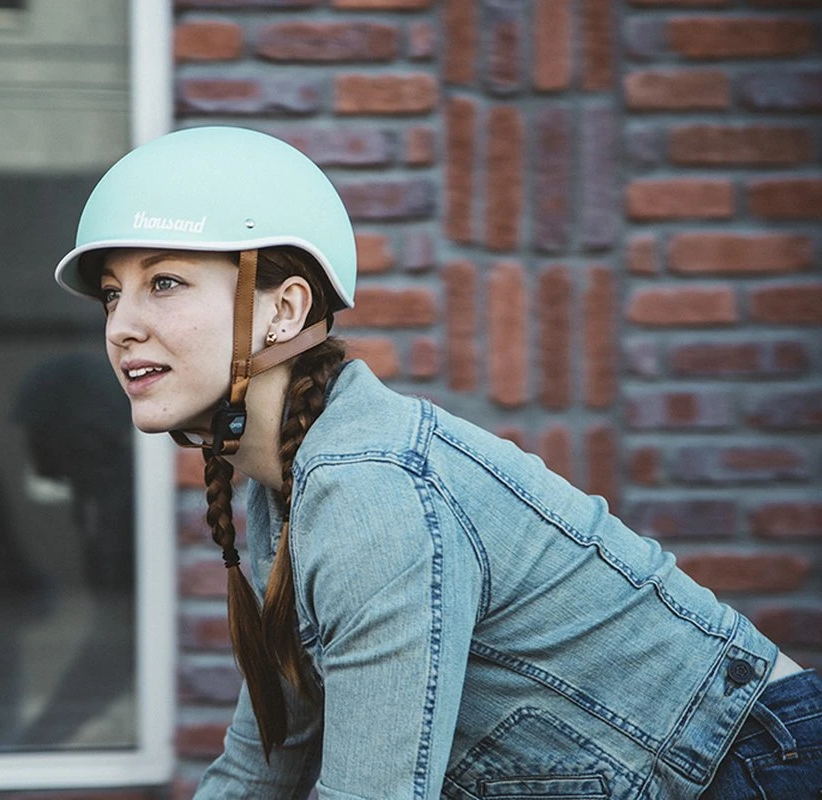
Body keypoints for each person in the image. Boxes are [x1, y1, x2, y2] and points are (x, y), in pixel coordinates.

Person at [52, 127, 821, 798]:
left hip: (757, 766)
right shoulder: (284, 490)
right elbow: (263, 765)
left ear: (283, 310)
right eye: (114, 295)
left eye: (164, 283)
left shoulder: (372, 491)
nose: (121, 326)